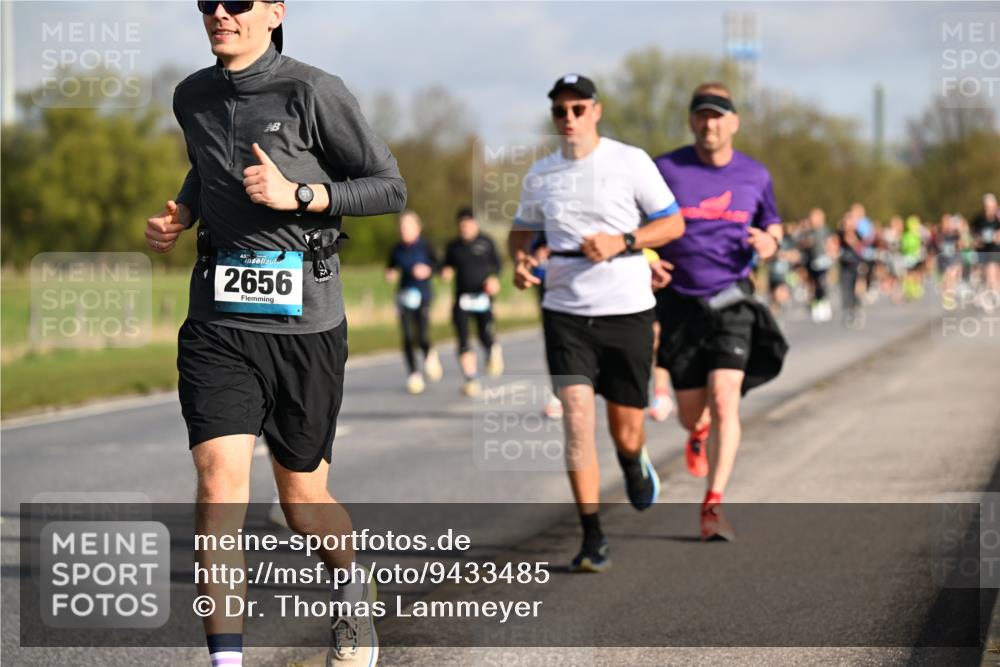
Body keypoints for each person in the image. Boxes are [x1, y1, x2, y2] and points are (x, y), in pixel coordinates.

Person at [145, 2, 406, 664]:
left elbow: (388, 187)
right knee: (219, 484)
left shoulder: (313, 90)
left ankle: (349, 588)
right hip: (218, 322)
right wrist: (182, 212)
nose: (220, 14)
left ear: (275, 11)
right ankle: (225, 659)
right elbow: (208, 171)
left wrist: (301, 195)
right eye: (208, 2)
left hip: (305, 325)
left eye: (237, 2)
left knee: (303, 504)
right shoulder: (192, 96)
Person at [509, 73, 685, 571]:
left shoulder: (630, 162)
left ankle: (633, 461)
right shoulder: (541, 174)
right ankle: (592, 536)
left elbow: (673, 223)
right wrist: (521, 261)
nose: (569, 118)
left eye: (578, 109)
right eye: (560, 111)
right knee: (578, 423)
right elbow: (521, 233)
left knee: (625, 431)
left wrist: (623, 241)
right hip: (564, 313)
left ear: (596, 111)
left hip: (626, 309)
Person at [652, 82, 788, 540]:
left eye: (718, 115)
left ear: (734, 122)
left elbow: (772, 222)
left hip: (732, 300)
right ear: (692, 121)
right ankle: (697, 432)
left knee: (726, 398)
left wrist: (770, 240)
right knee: (693, 414)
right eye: (702, 115)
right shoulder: (665, 168)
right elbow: (633, 224)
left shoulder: (755, 174)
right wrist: (649, 259)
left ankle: (713, 505)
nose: (710, 124)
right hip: (679, 304)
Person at [442, 207, 504, 396]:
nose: (465, 228)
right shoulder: (454, 246)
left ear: (475, 224)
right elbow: (445, 264)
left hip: (483, 298)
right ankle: (470, 379)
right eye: (462, 225)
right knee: (462, 340)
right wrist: (445, 271)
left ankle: (492, 349)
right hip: (462, 298)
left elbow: (498, 266)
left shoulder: (486, 242)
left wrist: (494, 279)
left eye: (468, 224)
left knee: (484, 335)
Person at [386, 210, 443, 394]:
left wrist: (427, 270)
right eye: (402, 227)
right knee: (408, 336)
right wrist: (391, 274)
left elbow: (438, 266)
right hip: (404, 295)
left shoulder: (425, 246)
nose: (404, 230)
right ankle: (413, 374)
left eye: (408, 226)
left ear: (417, 228)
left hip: (423, 295)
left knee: (422, 335)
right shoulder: (397, 249)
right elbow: (391, 267)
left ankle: (428, 353)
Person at [972, 193, 1000, 305]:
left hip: (995, 248)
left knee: (993, 270)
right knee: (984, 274)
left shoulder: (998, 220)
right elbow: (972, 234)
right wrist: (977, 239)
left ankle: (994, 293)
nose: (990, 209)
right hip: (982, 250)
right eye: (988, 207)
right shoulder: (979, 220)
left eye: (992, 207)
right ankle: (987, 291)